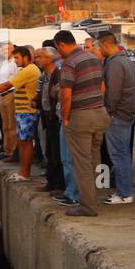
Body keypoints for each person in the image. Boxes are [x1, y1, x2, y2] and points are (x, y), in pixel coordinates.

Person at [53, 30, 108, 217]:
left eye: (56, 48)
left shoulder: (69, 63)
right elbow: (102, 86)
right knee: (95, 160)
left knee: (82, 164)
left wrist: (66, 118)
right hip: (99, 113)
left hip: (81, 117)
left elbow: (66, 94)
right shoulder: (93, 58)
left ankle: (88, 206)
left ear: (60, 44)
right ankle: (96, 197)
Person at [0, 45, 39, 179]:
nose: (15, 60)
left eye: (17, 58)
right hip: (24, 111)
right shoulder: (27, 69)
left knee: (25, 142)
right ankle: (23, 171)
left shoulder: (28, 70)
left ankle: (25, 172)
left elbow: (7, 85)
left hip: (27, 111)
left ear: (26, 57)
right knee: (23, 141)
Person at [97, 28, 135, 205]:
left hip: (117, 115)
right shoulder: (126, 61)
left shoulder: (114, 64)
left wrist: (108, 112)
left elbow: (113, 92)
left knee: (119, 155)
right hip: (126, 114)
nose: (99, 50)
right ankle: (125, 191)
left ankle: (124, 193)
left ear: (106, 44)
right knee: (123, 154)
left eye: (99, 47)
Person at [35, 47, 64, 194]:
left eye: (40, 57)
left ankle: (58, 184)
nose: (37, 59)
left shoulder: (57, 74)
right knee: (50, 150)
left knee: (56, 151)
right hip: (46, 115)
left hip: (55, 117)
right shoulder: (45, 75)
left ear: (50, 59)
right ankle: (51, 181)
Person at [0, 42, 17, 154]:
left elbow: (15, 81)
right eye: (2, 50)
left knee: (12, 126)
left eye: (6, 50)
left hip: (10, 94)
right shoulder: (3, 63)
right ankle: (6, 149)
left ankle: (13, 151)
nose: (3, 52)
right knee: (5, 126)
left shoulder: (15, 63)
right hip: (1, 96)